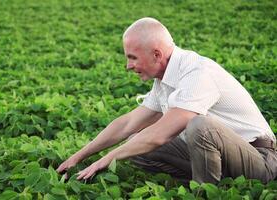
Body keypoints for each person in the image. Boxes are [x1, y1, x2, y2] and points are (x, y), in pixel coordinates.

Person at [56, 17, 277, 184]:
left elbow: (162, 134)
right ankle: (216, 182)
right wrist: (79, 156)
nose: (128, 65)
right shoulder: (164, 79)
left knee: (200, 126)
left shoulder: (197, 73)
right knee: (136, 142)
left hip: (260, 159)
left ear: (156, 54)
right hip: (222, 157)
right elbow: (128, 124)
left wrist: (107, 159)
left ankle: (205, 193)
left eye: (132, 57)